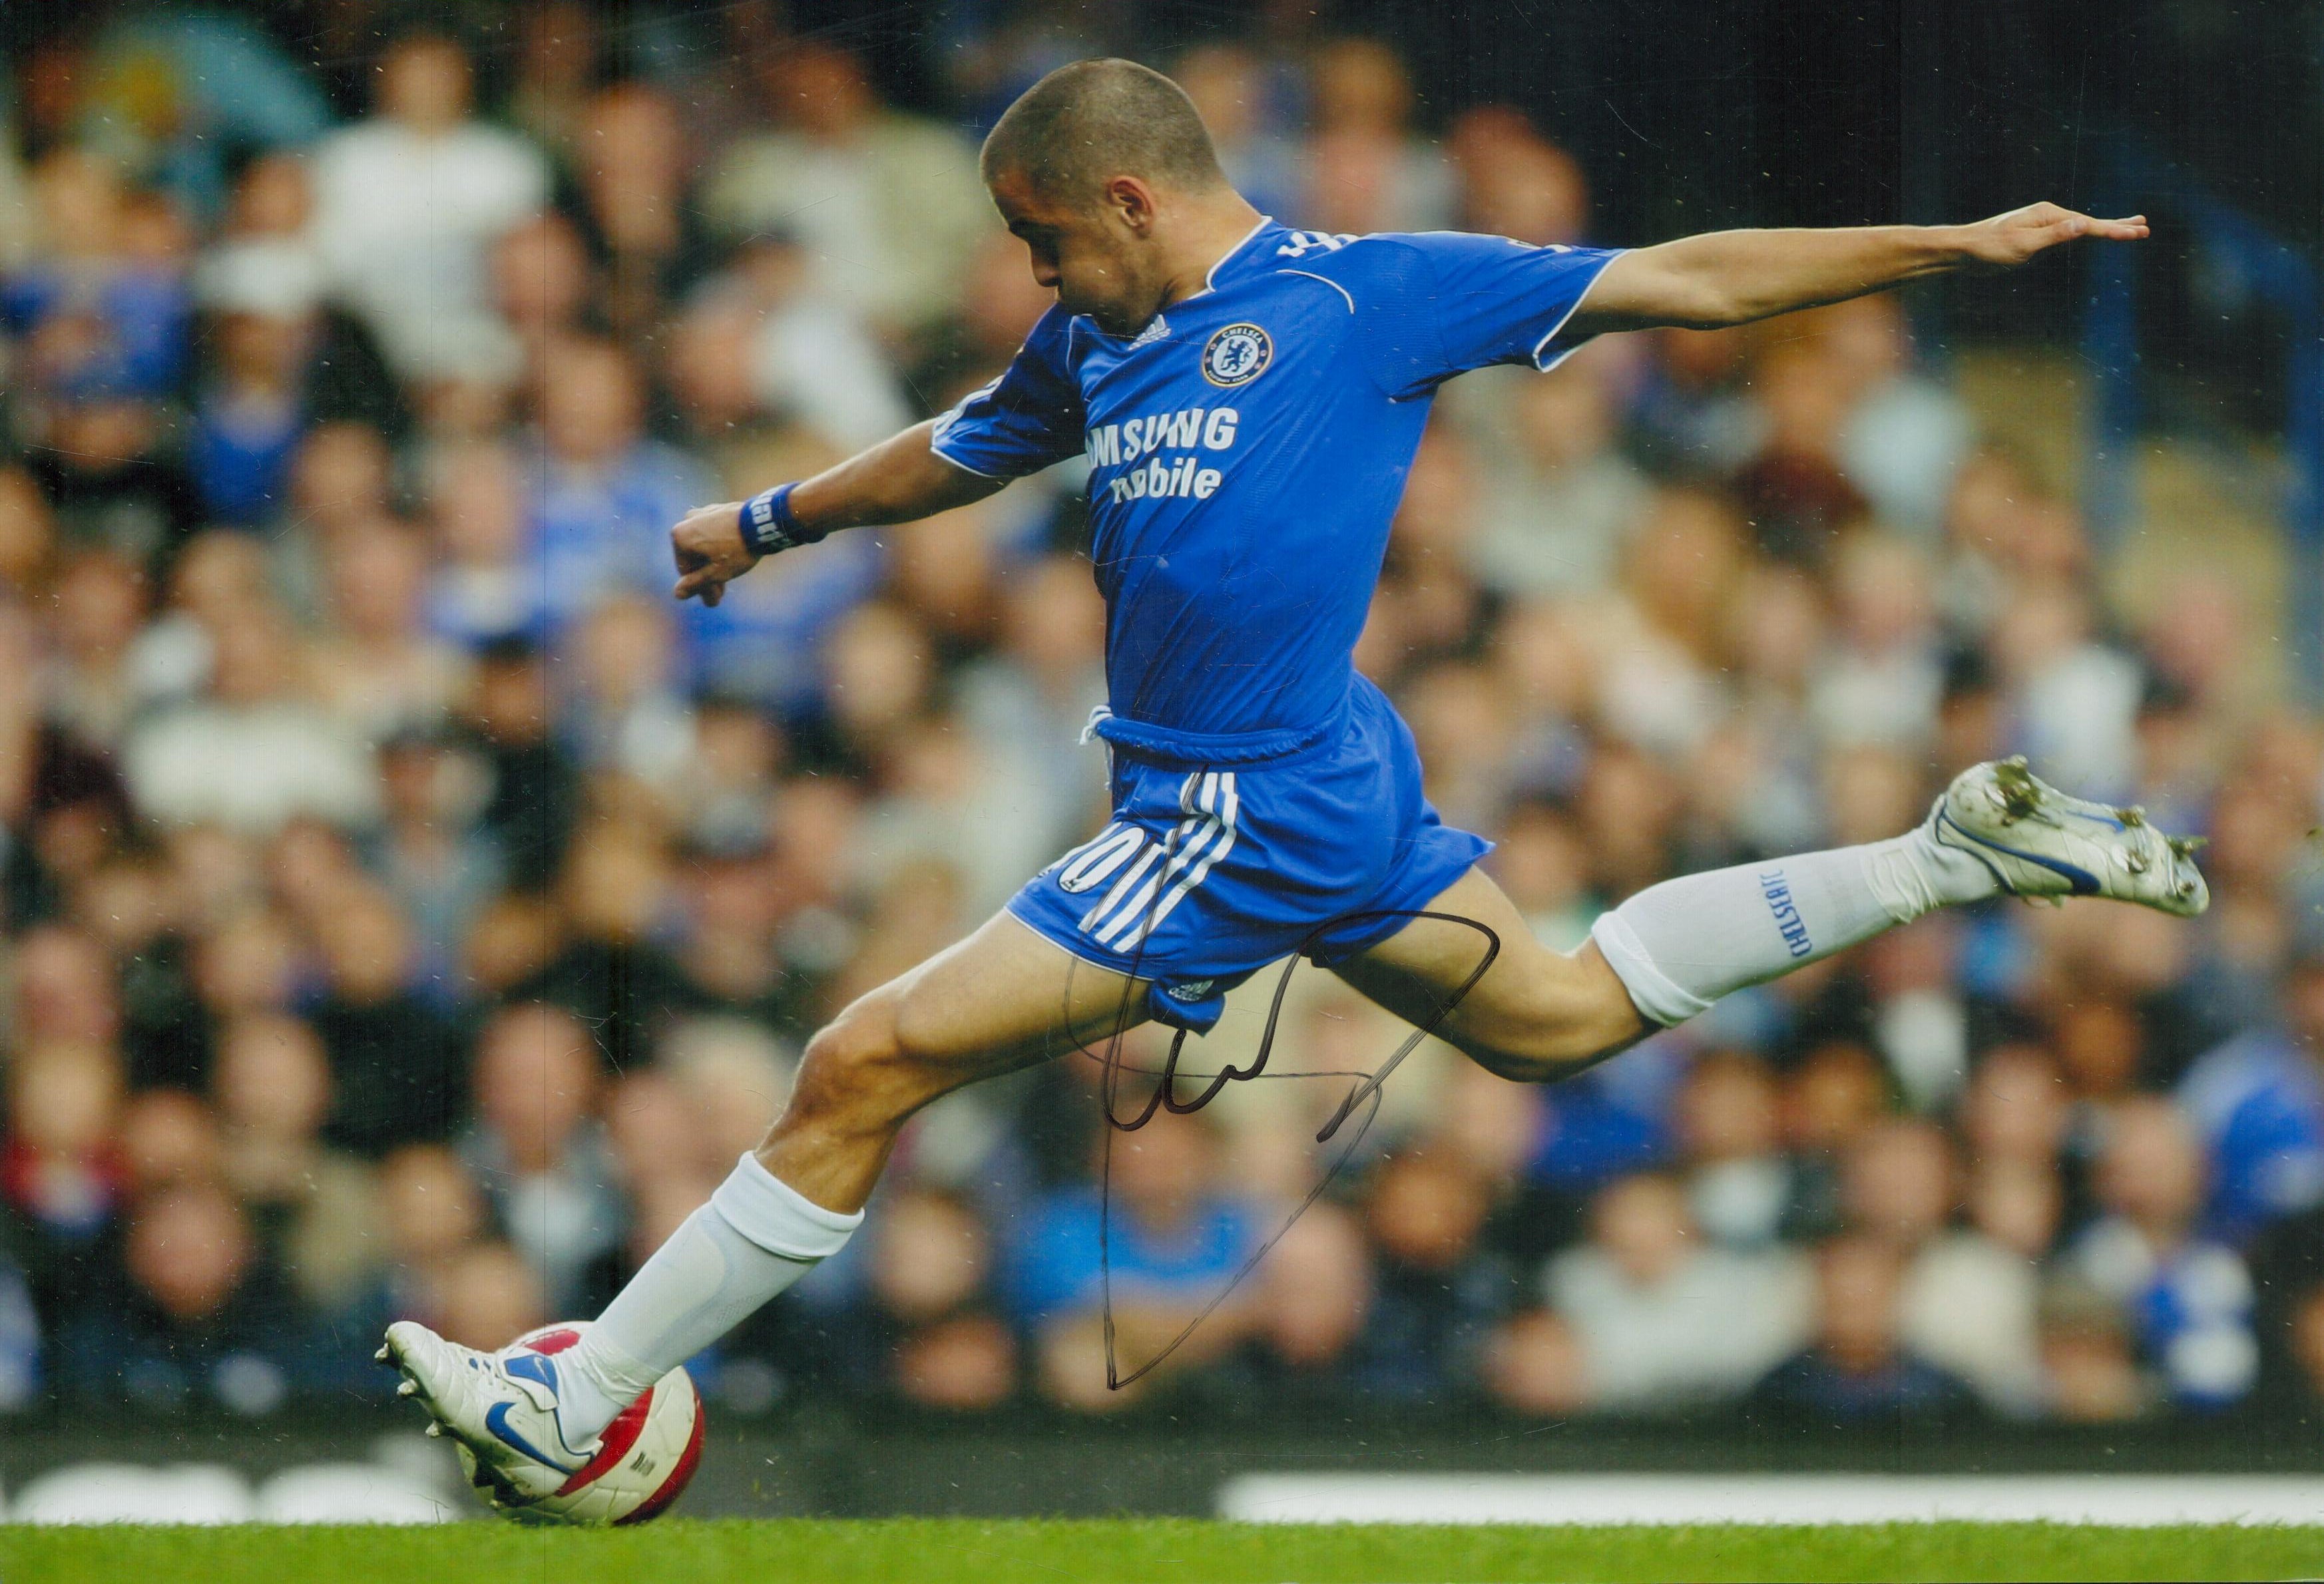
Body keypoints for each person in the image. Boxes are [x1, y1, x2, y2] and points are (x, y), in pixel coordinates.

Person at [383, 57, 2206, 1498]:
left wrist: (1946, 247)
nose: (1032, 275)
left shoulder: (1364, 296)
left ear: (1121, 196)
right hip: (1319, 771)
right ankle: (1939, 856)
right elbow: (957, 449)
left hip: (1231, 803)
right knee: (1561, 1015)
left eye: (1041, 238)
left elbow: (1688, 280)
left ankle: (579, 1393)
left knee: (860, 1059)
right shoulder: (1090, 338)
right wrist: (766, 520)